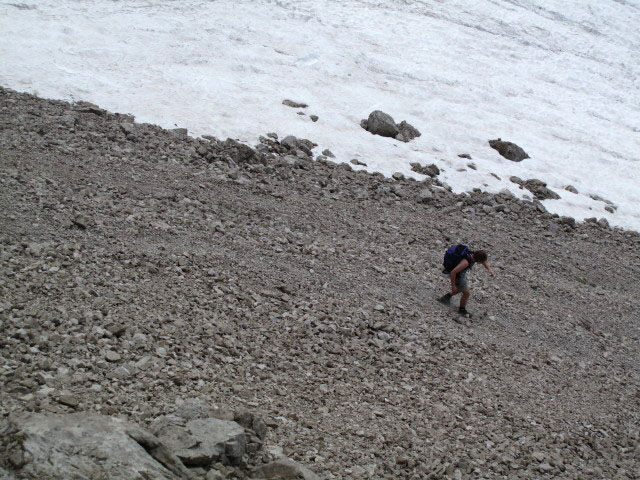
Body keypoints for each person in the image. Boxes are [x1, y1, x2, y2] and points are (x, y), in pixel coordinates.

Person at [438, 246, 493, 317]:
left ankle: (445, 298)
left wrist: (489, 269)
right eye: (481, 261)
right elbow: (453, 273)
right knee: (466, 293)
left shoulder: (473, 254)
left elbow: (484, 261)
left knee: (461, 288)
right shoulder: (466, 262)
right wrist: (453, 286)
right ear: (478, 259)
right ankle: (462, 310)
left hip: (461, 274)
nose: (482, 263)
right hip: (458, 276)